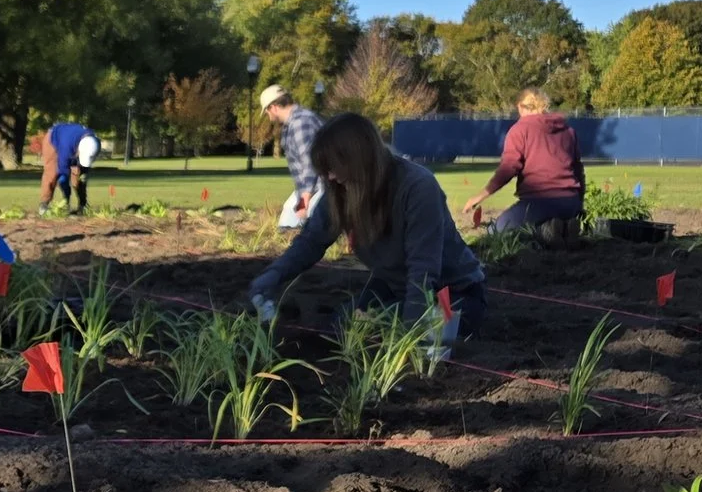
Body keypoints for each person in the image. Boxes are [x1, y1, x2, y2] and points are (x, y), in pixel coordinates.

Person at [248, 112, 487, 338]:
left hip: (450, 294)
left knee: (374, 328)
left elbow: (423, 271)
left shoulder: (417, 187)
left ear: (357, 160)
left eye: (333, 167)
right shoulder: (340, 190)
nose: (330, 177)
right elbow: (311, 241)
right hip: (392, 284)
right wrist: (272, 277)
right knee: (342, 325)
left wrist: (408, 339)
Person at [461, 90, 584, 237]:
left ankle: (545, 232)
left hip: (538, 203)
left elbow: (508, 169)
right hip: (571, 202)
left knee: (495, 232)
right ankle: (562, 228)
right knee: (537, 221)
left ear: (520, 106)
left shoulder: (520, 130)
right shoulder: (568, 131)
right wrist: (579, 204)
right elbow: (578, 170)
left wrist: (479, 196)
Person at [260, 84, 321, 230]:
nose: (268, 116)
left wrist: (305, 199)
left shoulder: (300, 123)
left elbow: (309, 161)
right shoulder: (293, 123)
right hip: (313, 186)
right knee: (287, 222)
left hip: (324, 186)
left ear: (274, 107)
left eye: (267, 111)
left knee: (312, 229)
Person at [40, 119, 99, 212]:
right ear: (79, 150)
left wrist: (82, 176)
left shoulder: (94, 143)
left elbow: (83, 169)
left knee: (80, 176)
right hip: (53, 141)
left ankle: (82, 205)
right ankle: (44, 205)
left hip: (73, 142)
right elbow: (63, 172)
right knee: (52, 174)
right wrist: (67, 196)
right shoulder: (66, 148)